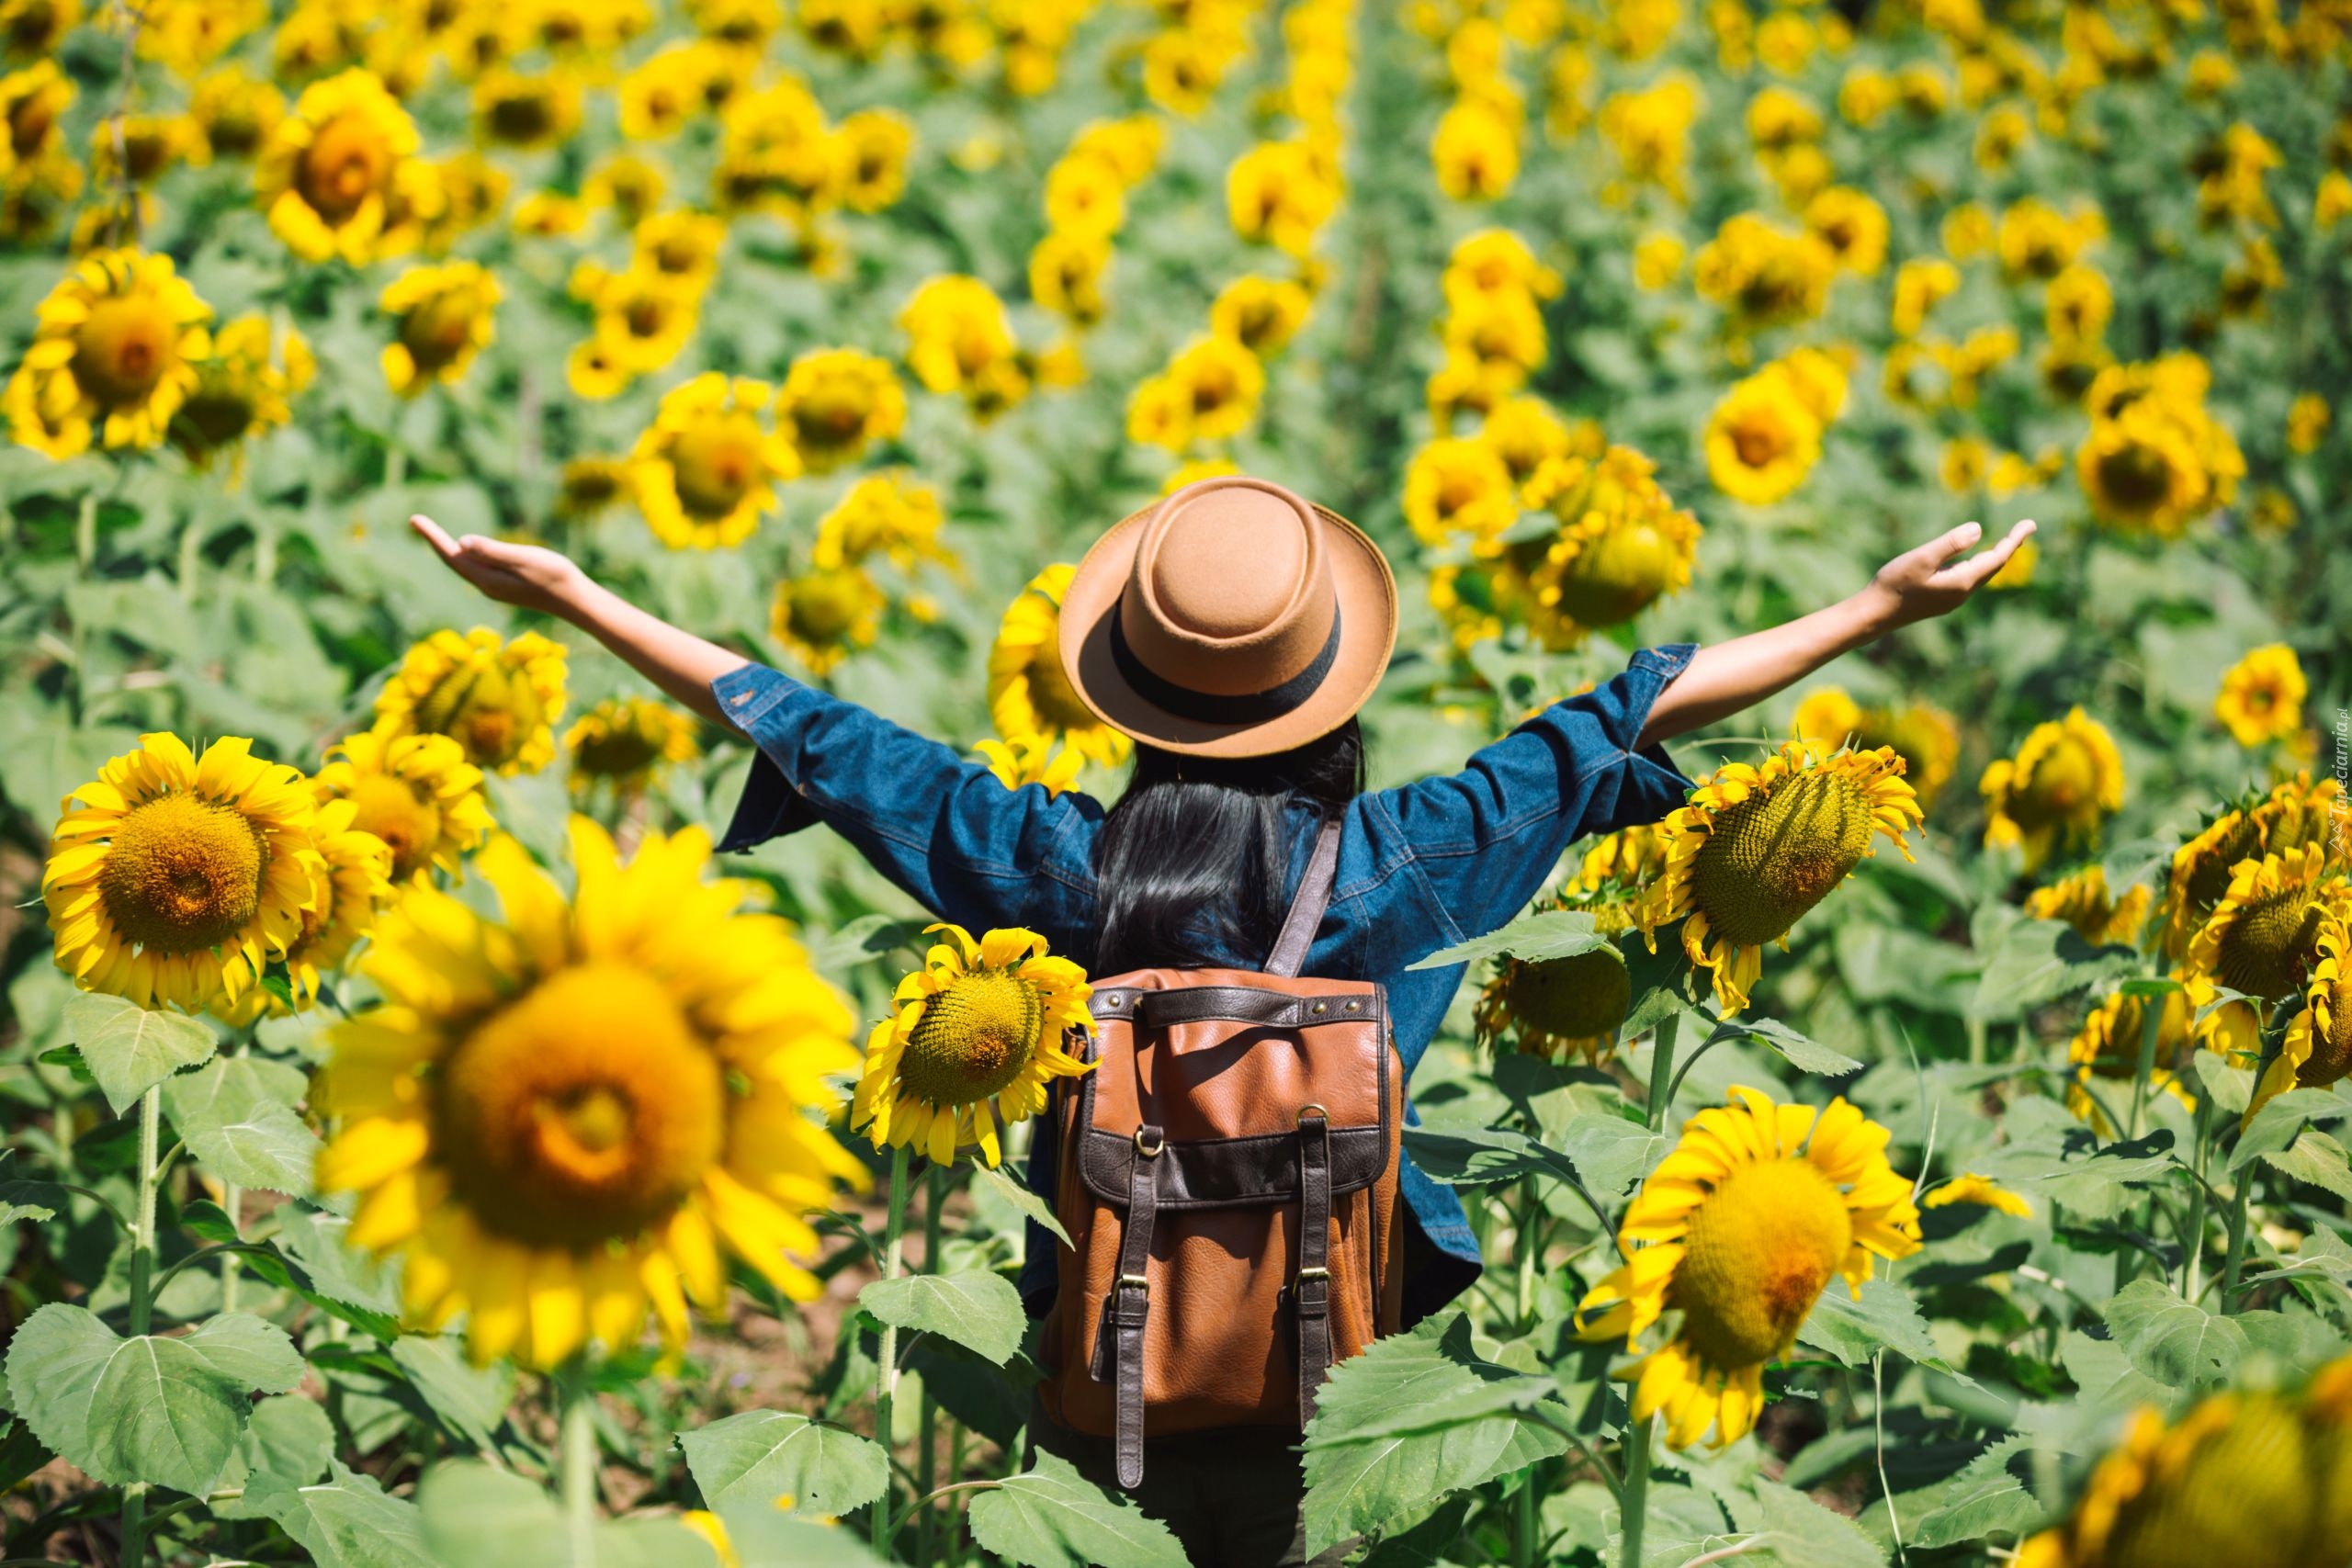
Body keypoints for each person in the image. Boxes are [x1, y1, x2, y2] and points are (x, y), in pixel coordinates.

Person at [411, 476, 2032, 1568]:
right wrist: (1870, 613)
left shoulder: (1060, 863)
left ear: (1131, 689)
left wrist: (581, 601)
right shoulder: (1411, 859)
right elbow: (1627, 711)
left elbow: (831, 742)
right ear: (1330, 683)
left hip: (1100, 1371)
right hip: (1350, 1379)